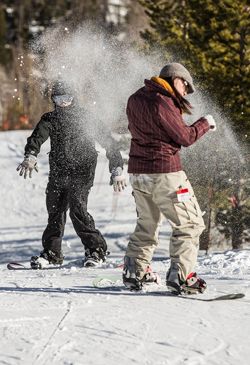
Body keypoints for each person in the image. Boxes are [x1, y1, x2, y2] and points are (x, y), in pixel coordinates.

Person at [123, 63, 216, 294]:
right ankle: (182, 276)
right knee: (190, 224)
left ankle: (135, 271)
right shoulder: (162, 101)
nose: (185, 92)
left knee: (147, 224)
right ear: (175, 79)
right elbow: (185, 137)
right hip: (165, 173)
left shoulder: (136, 98)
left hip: (139, 173)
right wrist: (205, 123)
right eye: (186, 85)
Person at [17, 81, 126, 269]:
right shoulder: (50, 119)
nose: (64, 103)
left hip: (83, 169)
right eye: (59, 99)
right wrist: (31, 154)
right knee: (55, 210)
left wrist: (116, 167)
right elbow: (37, 137)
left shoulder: (86, 118)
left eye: (67, 98)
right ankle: (52, 253)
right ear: (54, 100)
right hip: (59, 170)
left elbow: (109, 142)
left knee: (77, 207)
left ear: (74, 98)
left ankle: (96, 250)